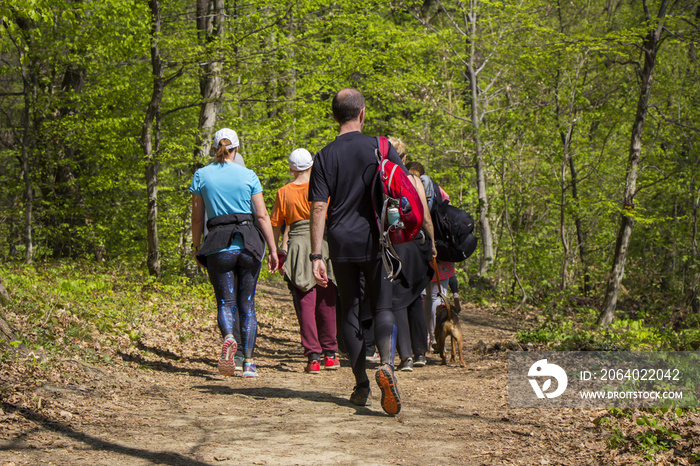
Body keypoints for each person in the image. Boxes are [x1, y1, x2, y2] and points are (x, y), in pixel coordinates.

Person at [309, 88, 404, 416]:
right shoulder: (381, 146)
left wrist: (316, 255)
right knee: (382, 306)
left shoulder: (323, 156)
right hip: (377, 240)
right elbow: (399, 191)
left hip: (340, 242)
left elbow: (319, 207)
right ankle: (388, 367)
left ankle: (361, 383)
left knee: (348, 308)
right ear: (362, 113)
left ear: (334, 116)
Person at [190, 127, 278, 378]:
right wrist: (273, 249)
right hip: (249, 243)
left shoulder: (201, 175)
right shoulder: (249, 175)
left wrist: (196, 247)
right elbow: (261, 215)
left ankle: (229, 337)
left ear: (215, 148)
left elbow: (197, 218)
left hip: (218, 244)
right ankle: (249, 364)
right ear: (237, 148)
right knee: (247, 304)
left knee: (225, 303)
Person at [271, 148, 339, 374]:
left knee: (305, 304)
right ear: (312, 165)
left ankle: (313, 357)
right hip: (323, 243)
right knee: (327, 302)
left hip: (298, 247)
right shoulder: (323, 188)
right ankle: (331, 354)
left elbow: (276, 225)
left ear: (291, 168)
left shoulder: (283, 192)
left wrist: (276, 252)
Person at [387, 137, 436, 371]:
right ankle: (420, 353)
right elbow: (425, 216)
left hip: (391, 244)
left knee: (397, 299)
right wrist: (433, 243)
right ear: (404, 158)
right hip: (414, 241)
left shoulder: (380, 176)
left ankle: (404, 355)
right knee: (415, 295)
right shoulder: (413, 179)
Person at [405, 161, 456, 350]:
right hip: (442, 250)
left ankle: (427, 336)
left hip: (419, 247)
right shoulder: (441, 193)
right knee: (438, 295)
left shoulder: (407, 189)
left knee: (423, 296)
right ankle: (437, 336)